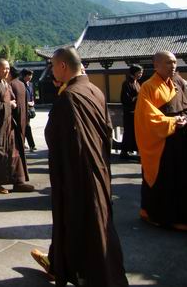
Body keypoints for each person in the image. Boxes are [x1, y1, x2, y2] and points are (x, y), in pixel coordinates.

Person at [32, 47, 128, 286]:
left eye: (53, 65)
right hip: (99, 168)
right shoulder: (94, 90)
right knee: (95, 217)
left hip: (79, 173)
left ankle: (91, 273)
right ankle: (62, 263)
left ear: (63, 66)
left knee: (82, 219)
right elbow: (105, 130)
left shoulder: (70, 97)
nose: (51, 70)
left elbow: (58, 138)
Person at [134, 51, 187, 230]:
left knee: (181, 179)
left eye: (174, 62)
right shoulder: (148, 87)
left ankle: (180, 218)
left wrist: (185, 119)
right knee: (162, 180)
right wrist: (173, 121)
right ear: (156, 65)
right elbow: (147, 117)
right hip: (161, 143)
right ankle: (155, 215)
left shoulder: (179, 83)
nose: (173, 65)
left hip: (180, 141)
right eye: (168, 62)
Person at [0, 59, 33, 194]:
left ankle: (18, 181)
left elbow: (11, 98)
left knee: (14, 152)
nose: (6, 71)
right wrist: (8, 105)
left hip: (8, 124)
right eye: (4, 68)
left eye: (8, 69)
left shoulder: (5, 83)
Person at [8, 67, 30, 179]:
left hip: (14, 120)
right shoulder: (21, 84)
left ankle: (17, 175)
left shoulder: (10, 85)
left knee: (15, 150)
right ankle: (23, 172)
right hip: (22, 119)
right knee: (20, 147)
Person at [120, 64, 143, 160]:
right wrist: (139, 97)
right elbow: (125, 99)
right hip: (129, 112)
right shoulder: (127, 83)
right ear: (134, 72)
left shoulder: (136, 83)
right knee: (129, 132)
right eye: (139, 72)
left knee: (136, 133)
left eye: (141, 72)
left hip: (136, 111)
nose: (141, 74)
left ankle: (133, 151)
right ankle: (124, 152)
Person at [21, 68, 37, 151]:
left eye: (31, 75)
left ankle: (25, 144)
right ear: (24, 75)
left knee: (26, 126)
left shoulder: (30, 84)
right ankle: (31, 145)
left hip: (30, 109)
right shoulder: (21, 84)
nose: (30, 77)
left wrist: (33, 101)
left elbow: (32, 95)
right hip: (23, 109)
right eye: (29, 75)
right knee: (26, 127)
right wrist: (27, 103)